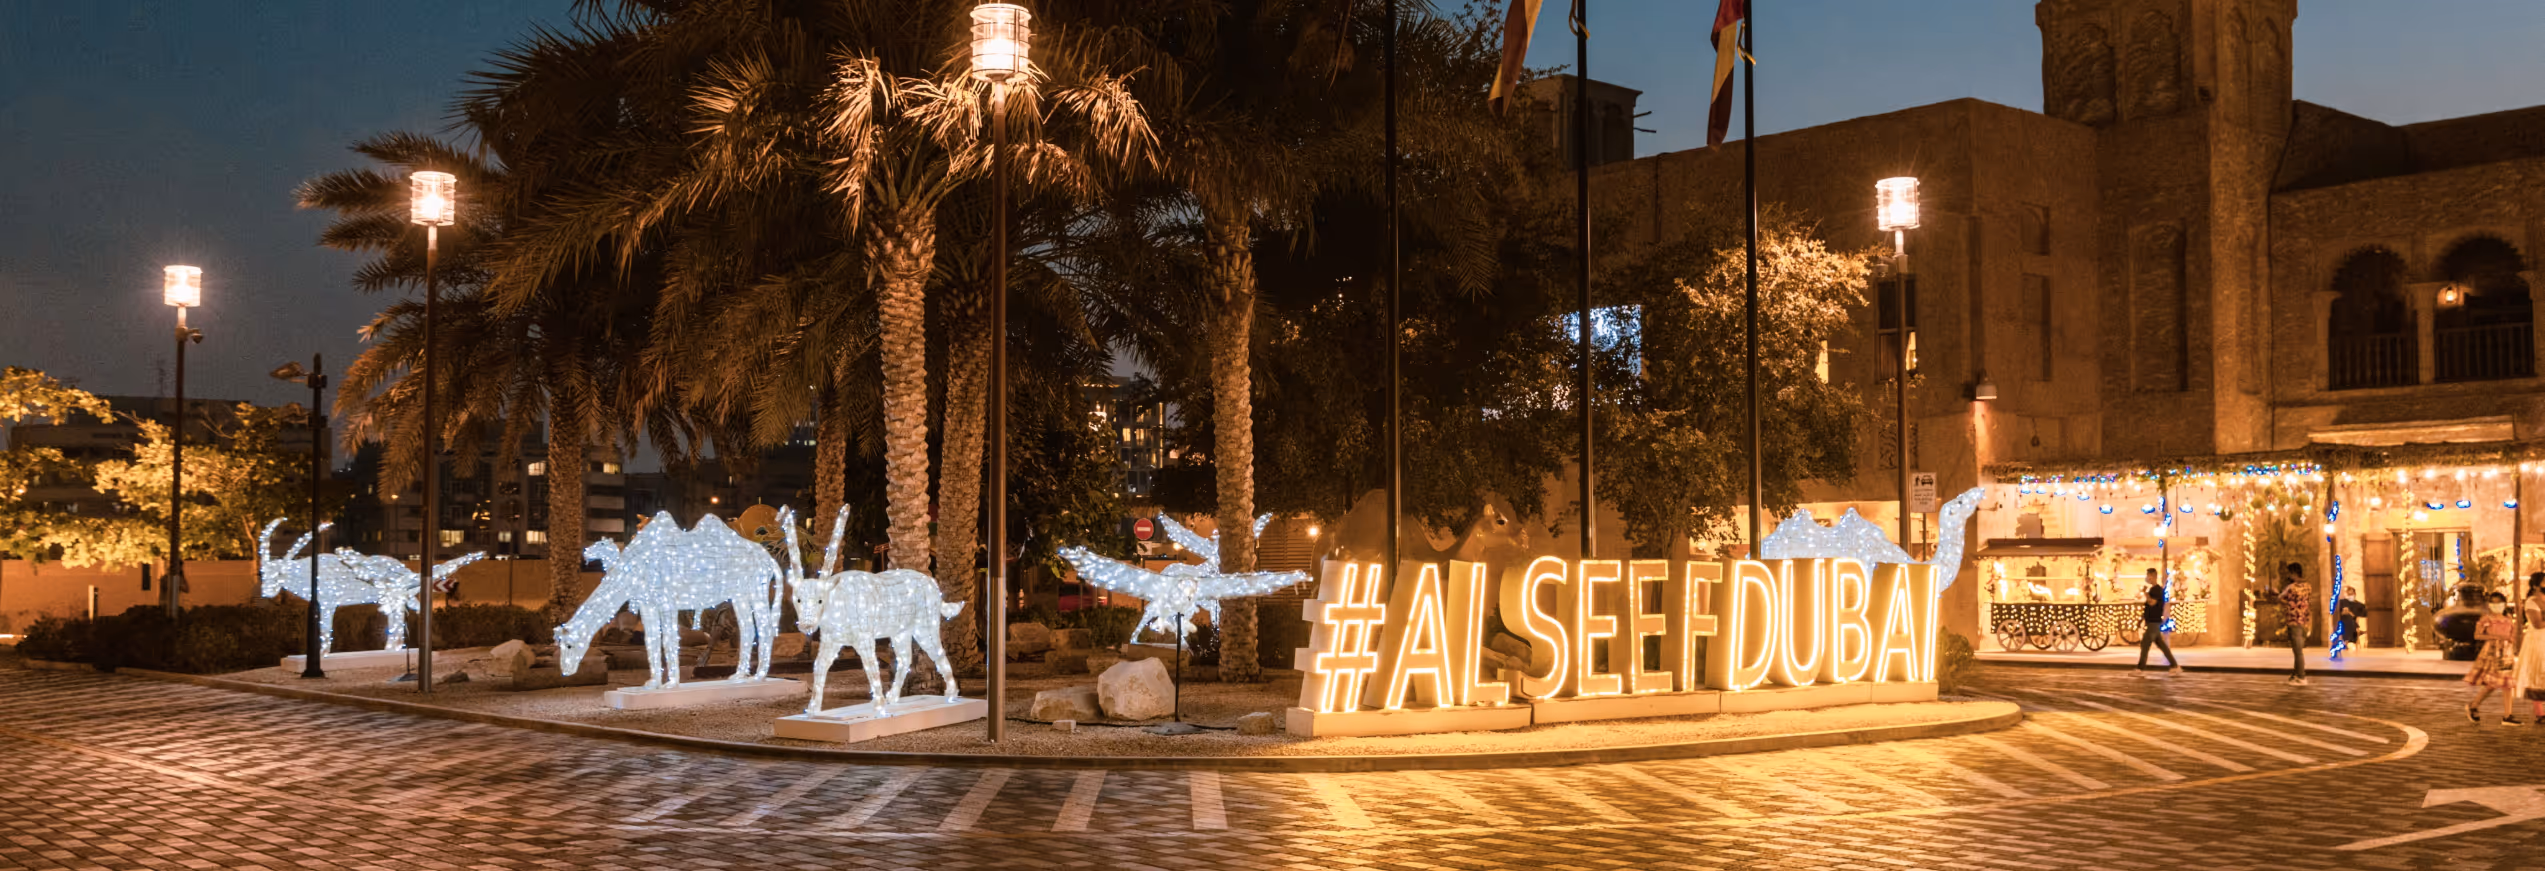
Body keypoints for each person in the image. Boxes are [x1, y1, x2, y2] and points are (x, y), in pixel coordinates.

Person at [2465, 588, 2521, 723]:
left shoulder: (2508, 619)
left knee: (2507, 684)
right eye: (2493, 602)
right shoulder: (2486, 619)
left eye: (2499, 602)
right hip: (2491, 653)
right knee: (2492, 683)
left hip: (2506, 654)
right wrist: (2496, 636)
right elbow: (2477, 635)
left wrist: (2511, 640)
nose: (2496, 605)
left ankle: (2507, 715)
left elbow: (2512, 634)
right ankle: (2473, 705)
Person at [2135, 568, 2182, 677]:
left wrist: (2145, 594)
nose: (2147, 578)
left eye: (2149, 576)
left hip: (2154, 622)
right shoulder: (2152, 590)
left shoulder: (2156, 590)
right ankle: (2175, 666)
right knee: (2162, 645)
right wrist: (2142, 619)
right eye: (2147, 575)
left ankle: (2139, 668)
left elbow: (2152, 603)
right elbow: (2148, 607)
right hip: (2152, 622)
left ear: (2154, 576)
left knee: (2145, 644)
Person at [2513, 573, 2545, 725]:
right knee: (2537, 674)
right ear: (2535, 585)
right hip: (2537, 641)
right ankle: (2540, 713)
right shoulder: (2532, 602)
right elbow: (2538, 624)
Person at [2278, 562, 2312, 686]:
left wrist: (2286, 602)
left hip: (2293, 620)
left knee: (2297, 651)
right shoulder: (2308, 587)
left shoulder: (2291, 588)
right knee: (2299, 649)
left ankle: (2302, 677)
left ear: (2293, 573)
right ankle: (2295, 675)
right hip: (2304, 620)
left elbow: (2280, 597)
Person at [2333, 588, 2367, 661]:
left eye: (2351, 594)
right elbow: (2335, 612)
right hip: (2342, 622)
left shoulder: (2359, 605)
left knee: (2350, 620)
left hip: (2352, 622)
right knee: (2346, 619)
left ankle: (2348, 641)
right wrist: (2342, 612)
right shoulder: (2341, 603)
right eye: (2348, 594)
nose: (2350, 595)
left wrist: (2351, 613)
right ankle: (2349, 641)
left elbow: (2364, 614)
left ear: (2355, 594)